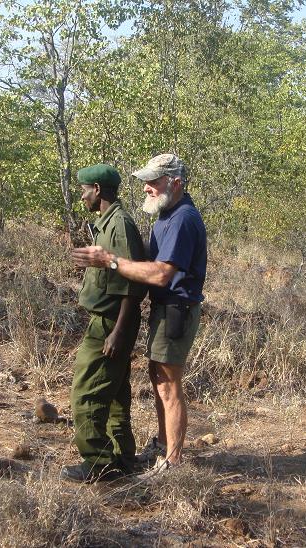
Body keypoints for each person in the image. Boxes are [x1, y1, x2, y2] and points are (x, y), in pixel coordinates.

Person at [72, 153, 207, 475]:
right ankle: (162, 447)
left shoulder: (183, 218)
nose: (146, 188)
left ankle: (172, 461)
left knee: (168, 385)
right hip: (166, 309)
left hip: (177, 309)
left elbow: (162, 274)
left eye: (153, 181)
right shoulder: (167, 214)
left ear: (175, 182)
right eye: (145, 181)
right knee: (159, 379)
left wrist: (111, 261)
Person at [60, 163, 147, 483]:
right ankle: (122, 459)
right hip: (110, 322)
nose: (82, 196)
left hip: (110, 324)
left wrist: (118, 332)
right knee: (114, 395)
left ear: (97, 190)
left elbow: (132, 284)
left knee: (85, 395)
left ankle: (97, 463)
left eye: (84, 190)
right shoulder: (109, 222)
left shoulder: (119, 225)